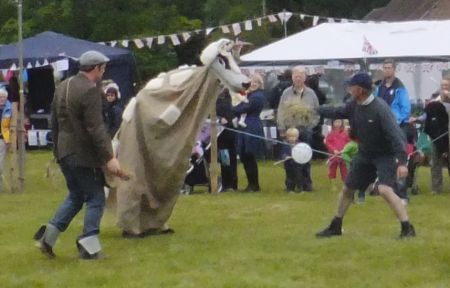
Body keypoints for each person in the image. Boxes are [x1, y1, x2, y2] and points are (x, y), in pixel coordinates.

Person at [34, 50, 124, 259]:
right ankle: (89, 245)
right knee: (95, 197)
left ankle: (48, 237)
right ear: (95, 68)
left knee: (76, 195)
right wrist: (109, 157)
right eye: (102, 68)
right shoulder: (91, 90)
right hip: (82, 154)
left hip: (65, 152)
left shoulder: (63, 87)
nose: (103, 72)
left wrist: (57, 151)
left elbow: (53, 123)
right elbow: (96, 128)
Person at [316, 72, 416, 239]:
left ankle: (407, 228)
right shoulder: (353, 104)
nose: (348, 88)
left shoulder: (380, 109)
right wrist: (315, 110)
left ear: (360, 90)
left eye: (351, 86)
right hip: (365, 153)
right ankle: (336, 226)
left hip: (385, 155)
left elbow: (397, 136)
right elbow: (337, 111)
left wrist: (402, 163)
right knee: (348, 189)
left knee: (384, 190)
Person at [374, 59, 413, 202]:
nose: (387, 70)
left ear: (394, 69)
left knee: (399, 159)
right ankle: (385, 188)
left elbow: (406, 110)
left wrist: (395, 121)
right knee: (384, 158)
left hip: (397, 127)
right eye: (384, 67)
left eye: (389, 67)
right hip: (382, 128)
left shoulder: (400, 88)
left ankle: (402, 194)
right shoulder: (380, 87)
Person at [277, 66, 320, 191]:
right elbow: (281, 110)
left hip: (305, 130)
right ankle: (290, 184)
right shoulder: (286, 93)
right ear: (292, 77)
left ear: (305, 78)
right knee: (289, 158)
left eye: (300, 76)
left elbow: (316, 111)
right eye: (296, 76)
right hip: (290, 129)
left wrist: (311, 126)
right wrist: (282, 128)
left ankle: (306, 183)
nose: (298, 78)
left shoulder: (311, 93)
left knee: (305, 157)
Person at [410, 76, 450, 193]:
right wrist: (416, 119)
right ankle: (436, 188)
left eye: (446, 86)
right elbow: (427, 115)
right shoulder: (435, 101)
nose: (444, 88)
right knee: (435, 161)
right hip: (437, 135)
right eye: (442, 86)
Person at [233, 73, 265, 192]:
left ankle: (254, 185)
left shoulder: (257, 97)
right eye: (251, 82)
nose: (253, 84)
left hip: (252, 125)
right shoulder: (248, 95)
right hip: (244, 126)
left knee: (249, 156)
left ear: (259, 84)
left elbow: (243, 108)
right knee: (244, 157)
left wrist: (233, 109)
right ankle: (250, 184)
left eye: (255, 82)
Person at [216, 89, 238, 191]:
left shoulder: (232, 98)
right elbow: (208, 113)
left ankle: (233, 184)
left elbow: (237, 110)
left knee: (232, 158)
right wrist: (219, 119)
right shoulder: (213, 99)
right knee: (224, 158)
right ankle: (225, 183)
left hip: (232, 131)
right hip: (220, 133)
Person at [324, 119, 349, 185]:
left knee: (344, 170)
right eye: (335, 122)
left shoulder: (345, 133)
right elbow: (327, 143)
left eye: (339, 122)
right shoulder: (330, 133)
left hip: (343, 154)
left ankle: (345, 184)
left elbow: (348, 142)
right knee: (332, 170)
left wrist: (344, 150)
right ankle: (333, 184)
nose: (337, 123)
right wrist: (334, 150)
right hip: (333, 155)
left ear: (342, 123)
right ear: (332, 123)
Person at [281, 127, 305, 193]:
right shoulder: (285, 145)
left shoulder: (300, 145)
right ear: (287, 137)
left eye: (294, 136)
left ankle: (300, 188)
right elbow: (283, 153)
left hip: (297, 164)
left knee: (299, 176)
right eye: (290, 136)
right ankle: (290, 189)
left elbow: (303, 153)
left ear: (297, 137)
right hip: (289, 164)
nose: (292, 138)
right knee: (289, 177)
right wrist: (285, 157)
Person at [0, 88, 12, 193]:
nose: (1, 99)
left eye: (3, 97)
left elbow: (9, 126)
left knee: (0, 163)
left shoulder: (10, 108)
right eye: (0, 97)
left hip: (2, 139)